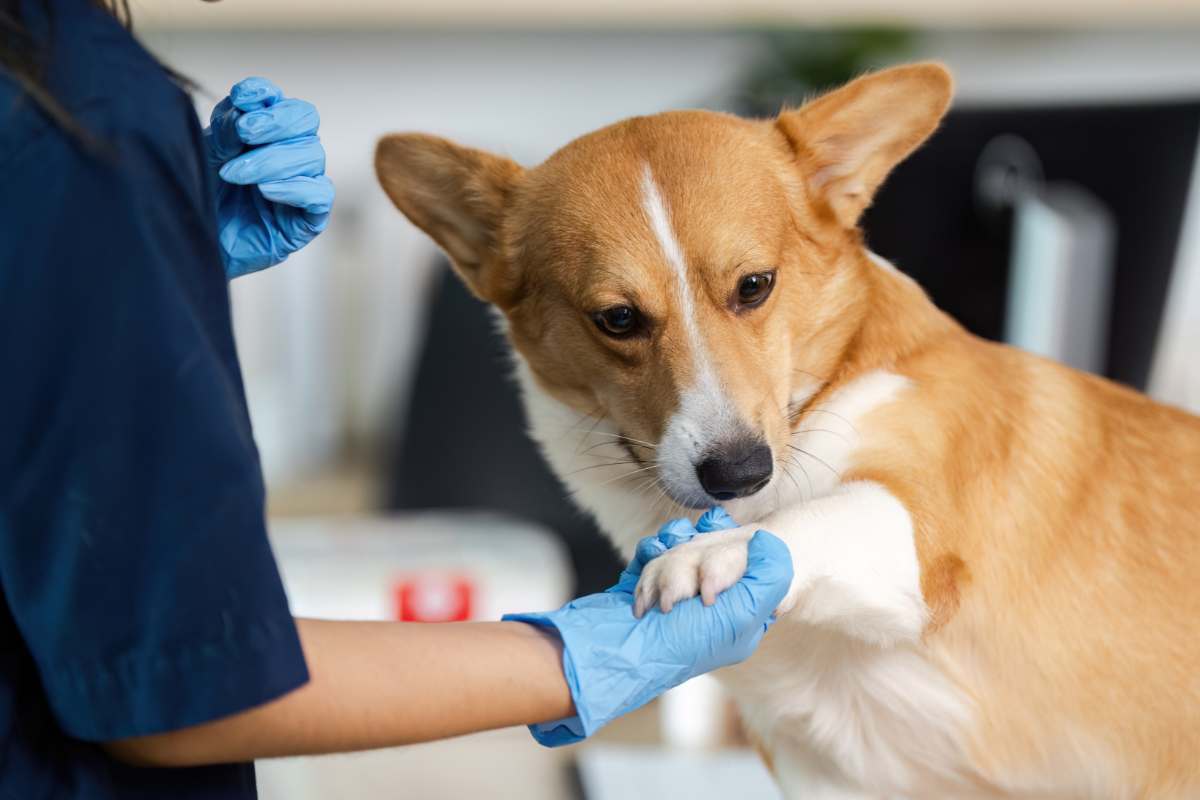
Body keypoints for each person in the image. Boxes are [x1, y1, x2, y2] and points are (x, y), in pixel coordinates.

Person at [0, 1, 794, 798]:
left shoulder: (57, 90)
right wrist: (588, 655)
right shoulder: (73, 96)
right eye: (620, 319)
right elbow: (183, 686)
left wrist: (132, 267)